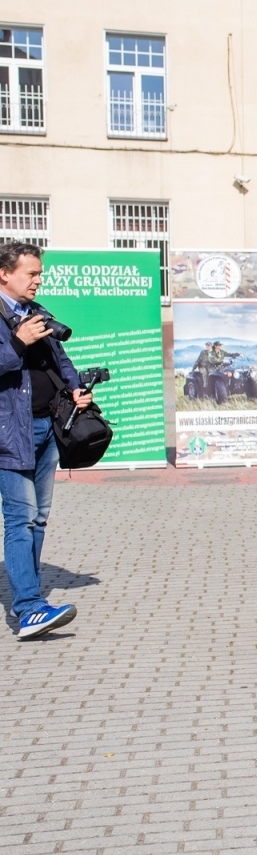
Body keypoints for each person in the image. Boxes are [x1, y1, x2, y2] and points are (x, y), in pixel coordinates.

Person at [0, 242, 90, 640]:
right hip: (8, 433)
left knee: (38, 517)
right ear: (5, 273)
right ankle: (29, 609)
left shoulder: (37, 312)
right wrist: (17, 342)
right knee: (20, 518)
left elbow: (60, 360)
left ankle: (30, 597)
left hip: (45, 427)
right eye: (31, 273)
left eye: (40, 273)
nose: (39, 280)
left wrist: (74, 389)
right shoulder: (11, 320)